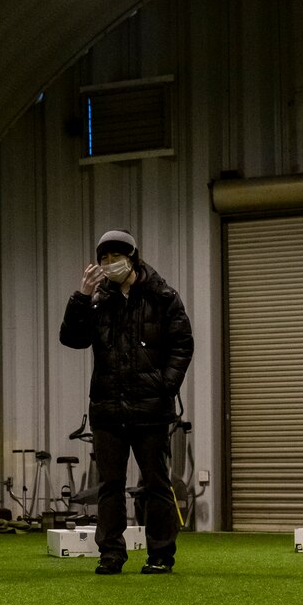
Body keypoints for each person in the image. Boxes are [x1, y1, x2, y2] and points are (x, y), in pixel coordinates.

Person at [58, 229, 194, 575]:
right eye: (103, 259)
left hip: (150, 408)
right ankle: (111, 554)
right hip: (107, 408)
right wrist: (81, 297)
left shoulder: (163, 296)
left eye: (114, 257)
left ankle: (161, 555)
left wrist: (165, 384)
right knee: (110, 485)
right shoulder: (99, 299)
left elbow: (182, 344)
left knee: (156, 483)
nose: (108, 264)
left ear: (132, 257)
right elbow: (72, 339)